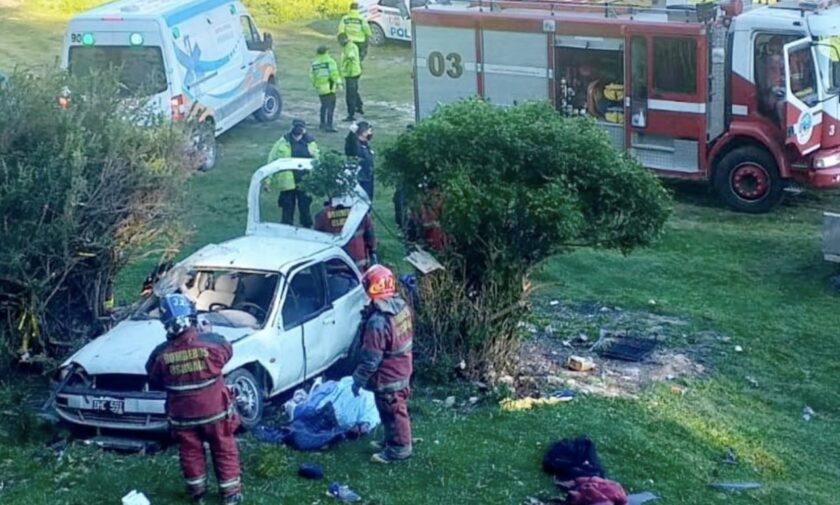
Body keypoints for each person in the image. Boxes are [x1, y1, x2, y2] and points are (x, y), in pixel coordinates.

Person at [145, 294, 242, 504]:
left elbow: (153, 378)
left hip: (182, 416)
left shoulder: (160, 354)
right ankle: (230, 493)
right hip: (216, 412)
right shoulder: (212, 342)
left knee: (190, 452)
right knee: (224, 447)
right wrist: (207, 333)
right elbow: (227, 351)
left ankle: (197, 493)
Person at [351, 265, 414, 463]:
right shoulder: (400, 306)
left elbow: (371, 359)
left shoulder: (377, 322)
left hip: (388, 375)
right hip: (402, 367)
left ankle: (400, 448)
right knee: (387, 409)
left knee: (394, 410)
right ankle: (390, 440)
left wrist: (358, 380)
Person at [267, 119, 320, 227]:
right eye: (296, 126)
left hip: (305, 181)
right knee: (287, 206)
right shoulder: (282, 142)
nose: (298, 129)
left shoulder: (310, 143)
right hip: (287, 182)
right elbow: (271, 160)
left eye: (300, 127)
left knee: (305, 206)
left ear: (304, 129)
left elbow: (317, 160)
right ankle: (286, 227)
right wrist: (268, 181)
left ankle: (307, 227)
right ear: (292, 127)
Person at [314, 195, 377, 272]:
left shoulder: (322, 215)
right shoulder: (359, 213)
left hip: (333, 269)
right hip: (357, 268)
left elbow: (317, 242)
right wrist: (373, 253)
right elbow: (370, 239)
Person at [311, 45, 341, 132]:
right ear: (326, 52)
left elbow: (312, 76)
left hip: (320, 89)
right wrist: (339, 83)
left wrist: (315, 84)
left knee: (323, 106)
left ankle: (322, 123)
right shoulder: (330, 61)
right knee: (331, 107)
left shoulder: (315, 63)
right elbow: (334, 74)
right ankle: (329, 125)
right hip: (329, 88)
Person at [345, 121, 375, 201]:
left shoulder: (365, 144)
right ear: (362, 131)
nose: (370, 132)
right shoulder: (354, 144)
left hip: (368, 176)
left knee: (368, 199)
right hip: (360, 178)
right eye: (369, 130)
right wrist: (352, 132)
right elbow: (350, 143)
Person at [338, 33, 364, 121]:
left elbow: (351, 56)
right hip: (354, 72)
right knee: (354, 91)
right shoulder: (350, 46)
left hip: (351, 73)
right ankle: (359, 106)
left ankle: (351, 114)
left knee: (350, 95)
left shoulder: (350, 47)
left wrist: (347, 62)